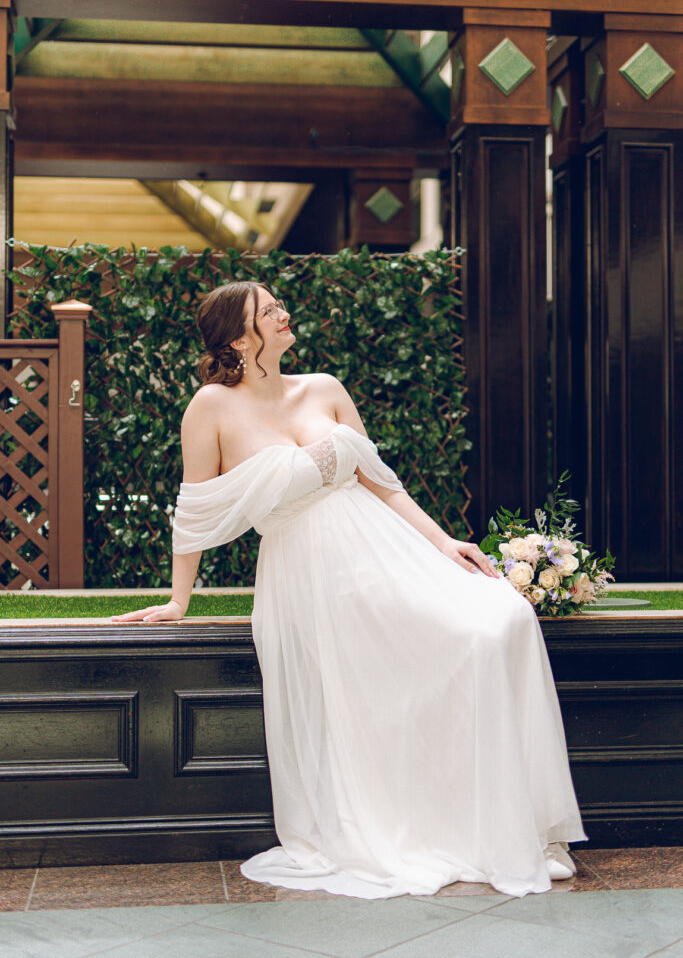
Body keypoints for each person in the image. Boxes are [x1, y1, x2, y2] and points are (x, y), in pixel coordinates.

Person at [112, 280, 587, 898]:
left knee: (501, 619)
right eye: (268, 311)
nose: (284, 314)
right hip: (308, 573)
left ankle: (505, 818)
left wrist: (444, 543)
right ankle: (420, 821)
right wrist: (180, 600)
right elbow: (195, 509)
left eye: (280, 305)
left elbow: (380, 481)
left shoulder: (326, 388)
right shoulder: (210, 408)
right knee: (437, 653)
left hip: (384, 550)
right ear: (238, 336)